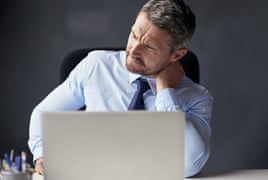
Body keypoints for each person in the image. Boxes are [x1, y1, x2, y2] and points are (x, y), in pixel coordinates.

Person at [28, 0, 213, 178]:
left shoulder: (197, 97)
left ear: (177, 55)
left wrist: (165, 91)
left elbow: (190, 164)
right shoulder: (96, 66)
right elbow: (42, 113)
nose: (133, 50)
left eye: (148, 47)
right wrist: (41, 154)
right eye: (133, 35)